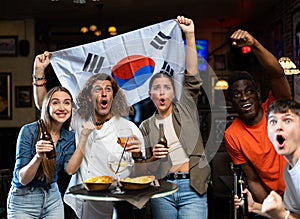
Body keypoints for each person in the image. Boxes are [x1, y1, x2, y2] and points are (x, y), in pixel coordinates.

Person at [32, 54, 144, 218]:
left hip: (116, 203)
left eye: (108, 89)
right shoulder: (78, 119)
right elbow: (45, 105)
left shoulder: (129, 128)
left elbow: (143, 173)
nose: (104, 93)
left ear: (113, 96)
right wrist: (39, 72)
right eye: (98, 89)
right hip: (81, 199)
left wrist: (138, 155)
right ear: (89, 97)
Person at [139, 16, 211, 219]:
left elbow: (192, 76)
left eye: (166, 88)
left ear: (173, 92)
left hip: (193, 188)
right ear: (150, 94)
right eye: (156, 89)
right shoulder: (145, 126)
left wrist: (190, 35)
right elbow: (141, 165)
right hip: (163, 189)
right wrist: (153, 157)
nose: (162, 93)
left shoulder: (185, 108)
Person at [224, 29, 292, 207]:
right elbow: (252, 179)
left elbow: (277, 74)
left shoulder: (276, 108)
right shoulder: (232, 135)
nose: (244, 97)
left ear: (258, 93)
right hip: (274, 198)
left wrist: (254, 44)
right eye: (237, 94)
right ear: (230, 101)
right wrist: (272, 208)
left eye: (248, 91)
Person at [7, 86, 94, 219]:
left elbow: (70, 170)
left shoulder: (69, 136)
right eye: (55, 102)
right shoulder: (29, 131)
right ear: (47, 106)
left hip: (52, 197)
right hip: (23, 199)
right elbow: (23, 179)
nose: (62, 108)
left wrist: (84, 137)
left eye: (67, 102)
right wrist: (38, 156)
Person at [234, 99, 300, 219]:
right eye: (273, 122)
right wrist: (254, 207)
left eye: (288, 120)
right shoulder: (289, 170)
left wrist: (282, 215)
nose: (278, 127)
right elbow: (296, 215)